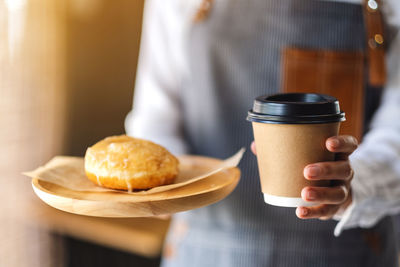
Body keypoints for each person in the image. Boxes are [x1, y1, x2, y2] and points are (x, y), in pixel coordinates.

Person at [125, 0, 400, 266]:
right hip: (204, 245)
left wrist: (359, 181)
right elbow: (156, 116)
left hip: (347, 247)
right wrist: (162, 189)